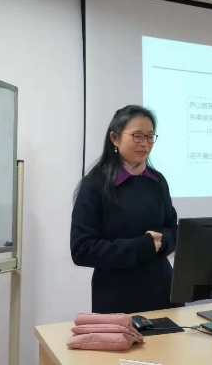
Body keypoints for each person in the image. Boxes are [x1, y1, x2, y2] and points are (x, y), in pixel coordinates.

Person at [71, 105, 180, 314]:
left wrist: (164, 241)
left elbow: (172, 229)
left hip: (163, 290)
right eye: (137, 136)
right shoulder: (95, 184)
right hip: (117, 295)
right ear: (115, 138)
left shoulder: (157, 181)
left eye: (150, 137)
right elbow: (82, 249)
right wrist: (139, 247)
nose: (145, 143)